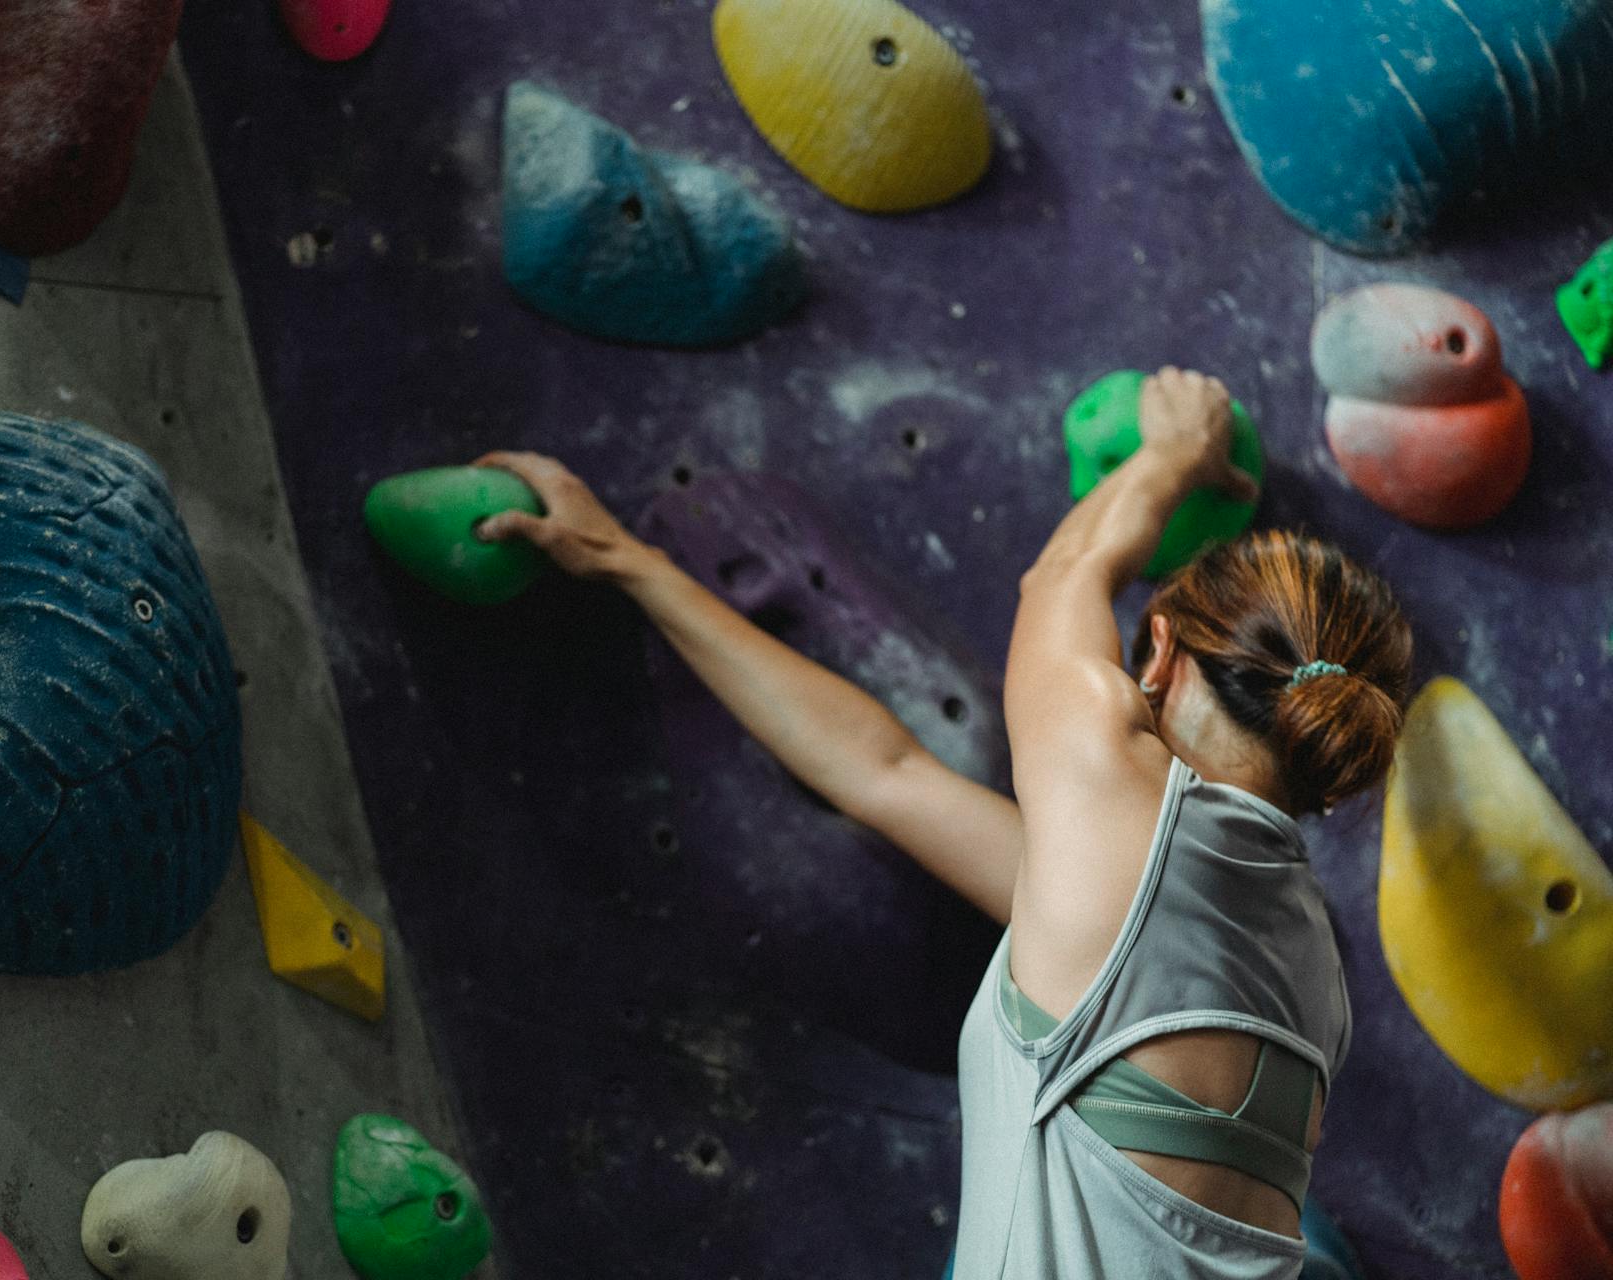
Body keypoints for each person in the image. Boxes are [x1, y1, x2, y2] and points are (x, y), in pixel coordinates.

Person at [476, 367, 1412, 1279]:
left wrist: (1169, 454)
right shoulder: (1309, 974)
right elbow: (883, 771)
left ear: (1158, 656)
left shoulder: (1116, 805)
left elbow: (1064, 576)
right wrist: (627, 564)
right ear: (1333, 762)